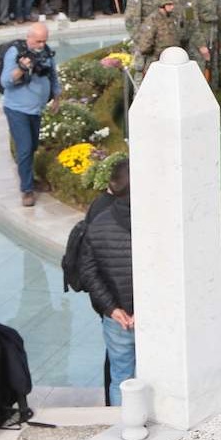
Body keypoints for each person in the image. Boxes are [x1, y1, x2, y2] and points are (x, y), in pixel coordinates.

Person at [75, 158, 136, 403]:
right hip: (151, 316)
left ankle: (121, 427)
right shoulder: (158, 223)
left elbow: (89, 272)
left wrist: (112, 309)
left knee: (120, 376)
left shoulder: (98, 223)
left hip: (116, 319)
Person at [1, 23, 59, 208]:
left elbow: (53, 76)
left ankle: (29, 177)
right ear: (29, 37)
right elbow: (6, 82)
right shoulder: (14, 52)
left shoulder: (46, 51)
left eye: (44, 41)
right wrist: (22, 68)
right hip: (17, 110)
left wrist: (56, 97)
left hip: (36, 109)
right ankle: (26, 189)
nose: (41, 44)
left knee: (32, 145)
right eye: (38, 41)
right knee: (25, 147)